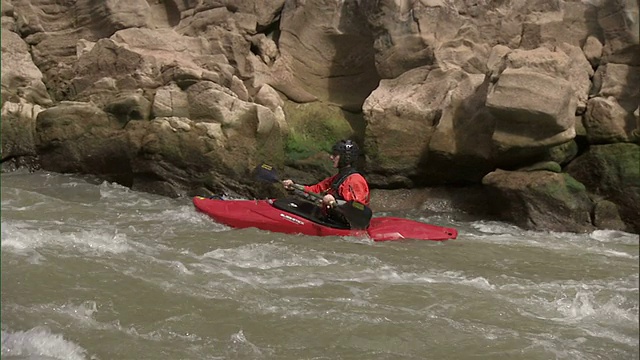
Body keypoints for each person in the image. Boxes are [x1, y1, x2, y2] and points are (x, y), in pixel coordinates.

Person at [282, 139, 370, 208]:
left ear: (345, 158)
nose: (331, 157)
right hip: (332, 218)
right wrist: (294, 187)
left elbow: (359, 207)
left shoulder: (355, 180)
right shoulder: (337, 178)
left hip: (344, 224)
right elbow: (314, 190)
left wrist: (335, 202)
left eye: (335, 155)